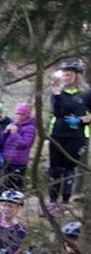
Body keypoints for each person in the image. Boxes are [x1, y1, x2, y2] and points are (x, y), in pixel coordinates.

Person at [47, 60, 89, 216]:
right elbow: (57, 112)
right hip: (58, 133)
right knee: (54, 169)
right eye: (64, 75)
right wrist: (57, 94)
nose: (66, 78)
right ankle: (52, 203)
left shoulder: (86, 93)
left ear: (77, 75)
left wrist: (81, 120)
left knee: (69, 169)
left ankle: (64, 204)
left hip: (77, 136)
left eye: (69, 75)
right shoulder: (57, 92)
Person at [0, 103, 36, 194]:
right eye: (17, 114)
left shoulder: (30, 128)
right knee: (6, 183)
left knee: (16, 184)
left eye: (21, 114)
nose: (18, 116)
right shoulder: (12, 124)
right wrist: (5, 132)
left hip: (19, 162)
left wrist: (15, 133)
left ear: (27, 115)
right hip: (7, 160)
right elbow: (1, 143)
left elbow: (25, 144)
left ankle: (16, 199)